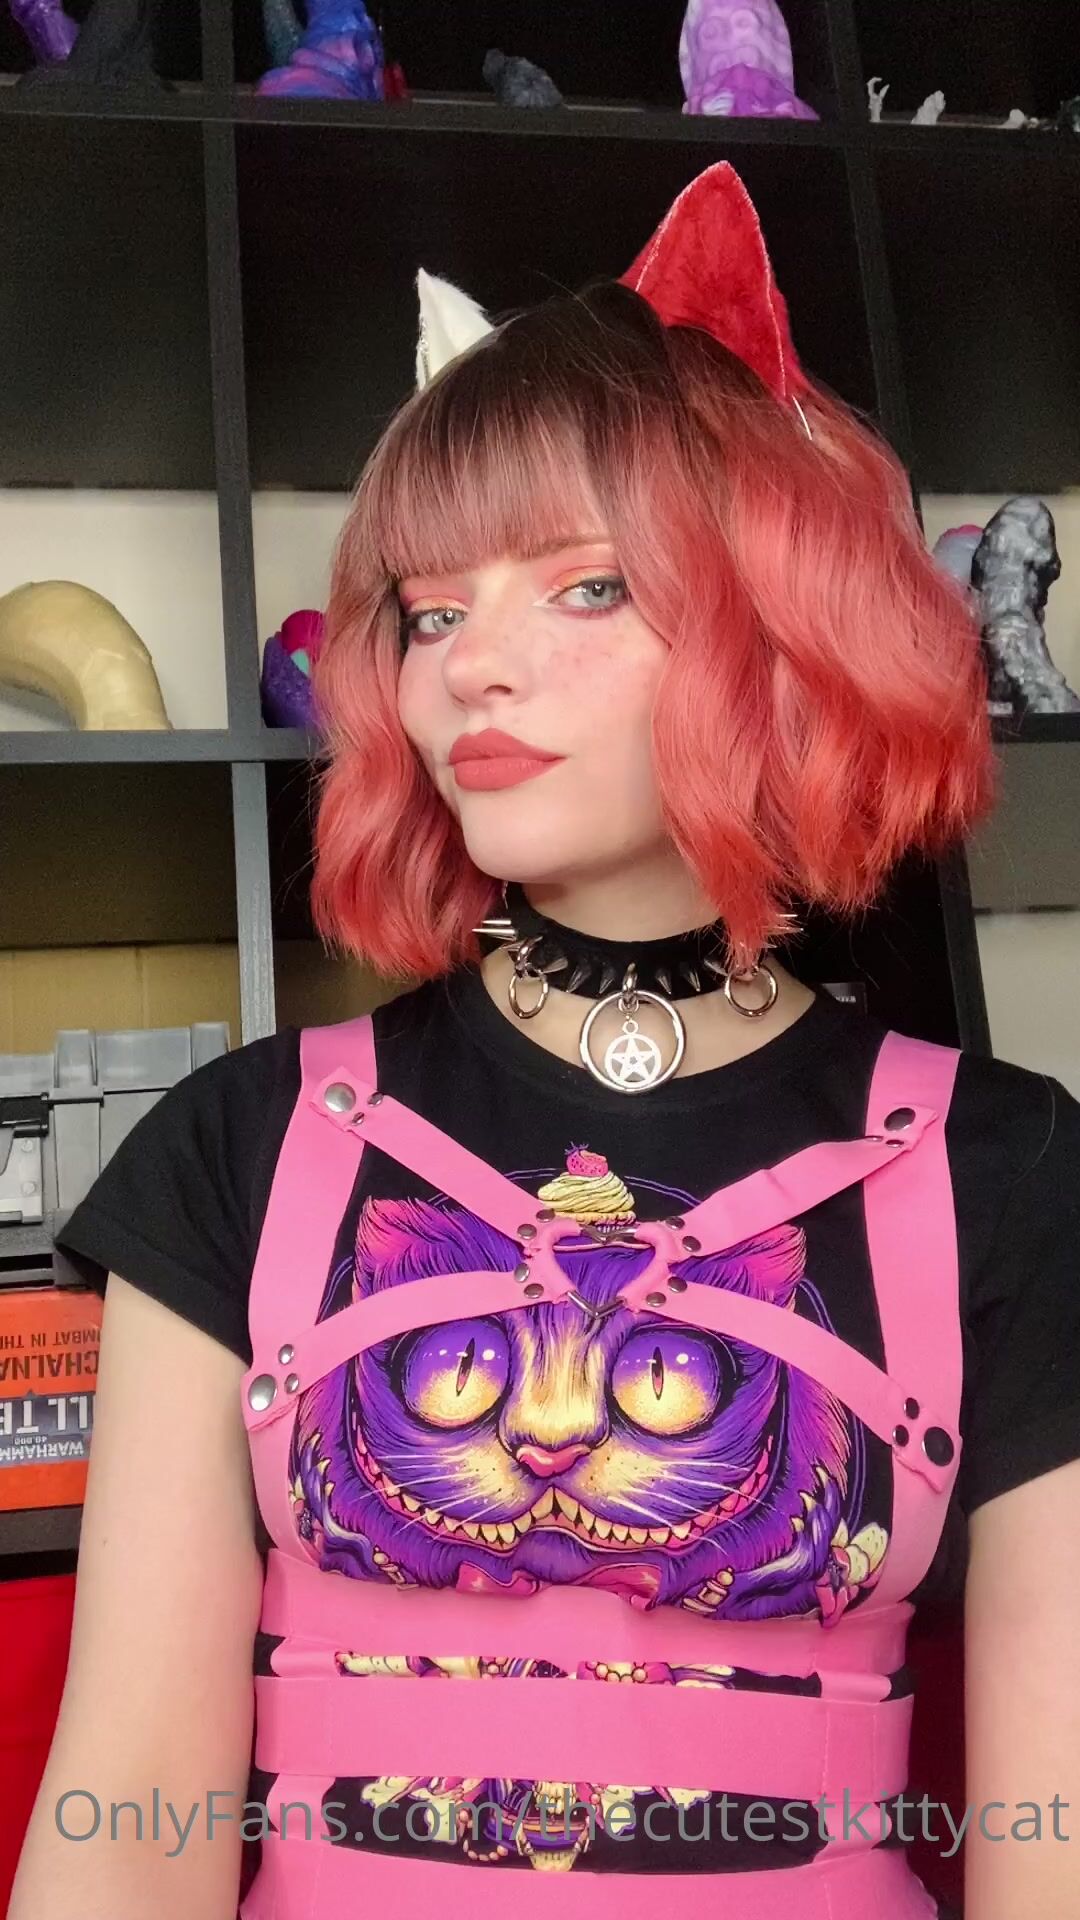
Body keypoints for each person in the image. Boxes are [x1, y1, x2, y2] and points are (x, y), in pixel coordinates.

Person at [10, 163, 1080, 1920]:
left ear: (786, 616)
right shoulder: (234, 1145)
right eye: (431, 610)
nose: (469, 670)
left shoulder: (1012, 1170)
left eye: (584, 588)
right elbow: (127, 1811)